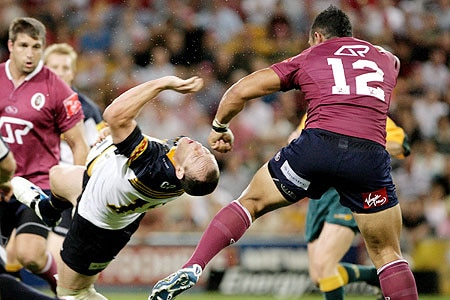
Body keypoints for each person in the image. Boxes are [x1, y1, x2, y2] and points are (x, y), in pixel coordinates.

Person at [149, 5, 418, 300]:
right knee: (388, 254)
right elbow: (389, 60)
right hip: (368, 157)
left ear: (317, 37)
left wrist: (220, 126)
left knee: (250, 202)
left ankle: (194, 265)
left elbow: (239, 91)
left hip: (317, 146)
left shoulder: (312, 55)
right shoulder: (384, 58)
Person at [12, 75, 220, 299]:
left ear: (179, 171)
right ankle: (49, 210)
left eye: (198, 157)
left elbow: (114, 115)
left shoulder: (151, 166)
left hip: (97, 226)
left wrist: (163, 84)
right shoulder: (177, 174)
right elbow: (131, 136)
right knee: (57, 176)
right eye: (207, 154)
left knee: (72, 293)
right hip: (97, 189)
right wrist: (114, 137)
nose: (200, 149)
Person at [0, 17, 89, 293]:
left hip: (37, 187)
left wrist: (79, 195)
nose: (30, 53)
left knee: (30, 255)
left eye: (36, 46)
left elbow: (78, 144)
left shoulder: (56, 88)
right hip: (1, 184)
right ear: (11, 45)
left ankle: (70, 292)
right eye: (24, 45)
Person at [288, 116, 410, 300]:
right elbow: (297, 139)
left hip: (345, 193)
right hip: (318, 195)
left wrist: (361, 148)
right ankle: (377, 277)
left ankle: (382, 276)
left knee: (325, 265)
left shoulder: (369, 111)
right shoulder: (319, 108)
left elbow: (402, 145)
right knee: (318, 276)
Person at [43, 42, 105, 265]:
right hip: (32, 180)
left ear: (73, 72)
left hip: (67, 186)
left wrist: (81, 191)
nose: (60, 73)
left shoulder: (87, 109)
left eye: (65, 67)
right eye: (54, 67)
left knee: (57, 256)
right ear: (44, 69)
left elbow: (100, 147)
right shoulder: (29, 101)